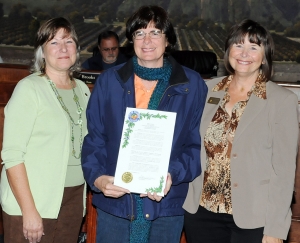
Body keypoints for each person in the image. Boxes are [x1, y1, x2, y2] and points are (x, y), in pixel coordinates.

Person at [81, 5, 207, 243]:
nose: (147, 40)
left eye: (155, 32)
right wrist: (98, 178)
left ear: (168, 40)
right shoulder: (109, 81)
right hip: (115, 204)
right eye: (139, 33)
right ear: (131, 40)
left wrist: (171, 175)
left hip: (166, 207)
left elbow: (195, 147)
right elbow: (94, 139)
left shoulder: (192, 85)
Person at [183, 19, 299, 243]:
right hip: (202, 212)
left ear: (264, 56)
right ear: (228, 52)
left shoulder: (281, 101)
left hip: (254, 216)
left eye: (254, 47)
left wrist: (276, 227)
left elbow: (283, 173)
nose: (244, 53)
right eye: (238, 45)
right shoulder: (206, 91)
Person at [0, 17, 90, 243]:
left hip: (73, 197)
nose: (63, 49)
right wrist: (28, 210)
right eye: (54, 42)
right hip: (34, 200)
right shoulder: (29, 88)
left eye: (68, 41)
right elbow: (12, 155)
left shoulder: (82, 89)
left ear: (77, 49)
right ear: (42, 51)